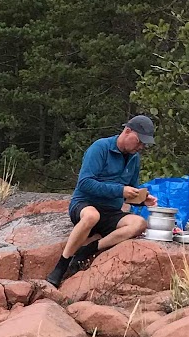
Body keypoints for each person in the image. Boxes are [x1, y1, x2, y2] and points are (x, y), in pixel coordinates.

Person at [47, 115, 158, 287]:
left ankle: (89, 249)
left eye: (144, 144)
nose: (141, 147)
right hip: (85, 204)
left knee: (139, 223)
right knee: (92, 216)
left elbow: (130, 191)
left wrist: (142, 200)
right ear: (127, 131)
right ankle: (62, 265)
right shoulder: (100, 148)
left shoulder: (134, 158)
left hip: (110, 211)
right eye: (139, 141)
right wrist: (120, 190)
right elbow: (84, 183)